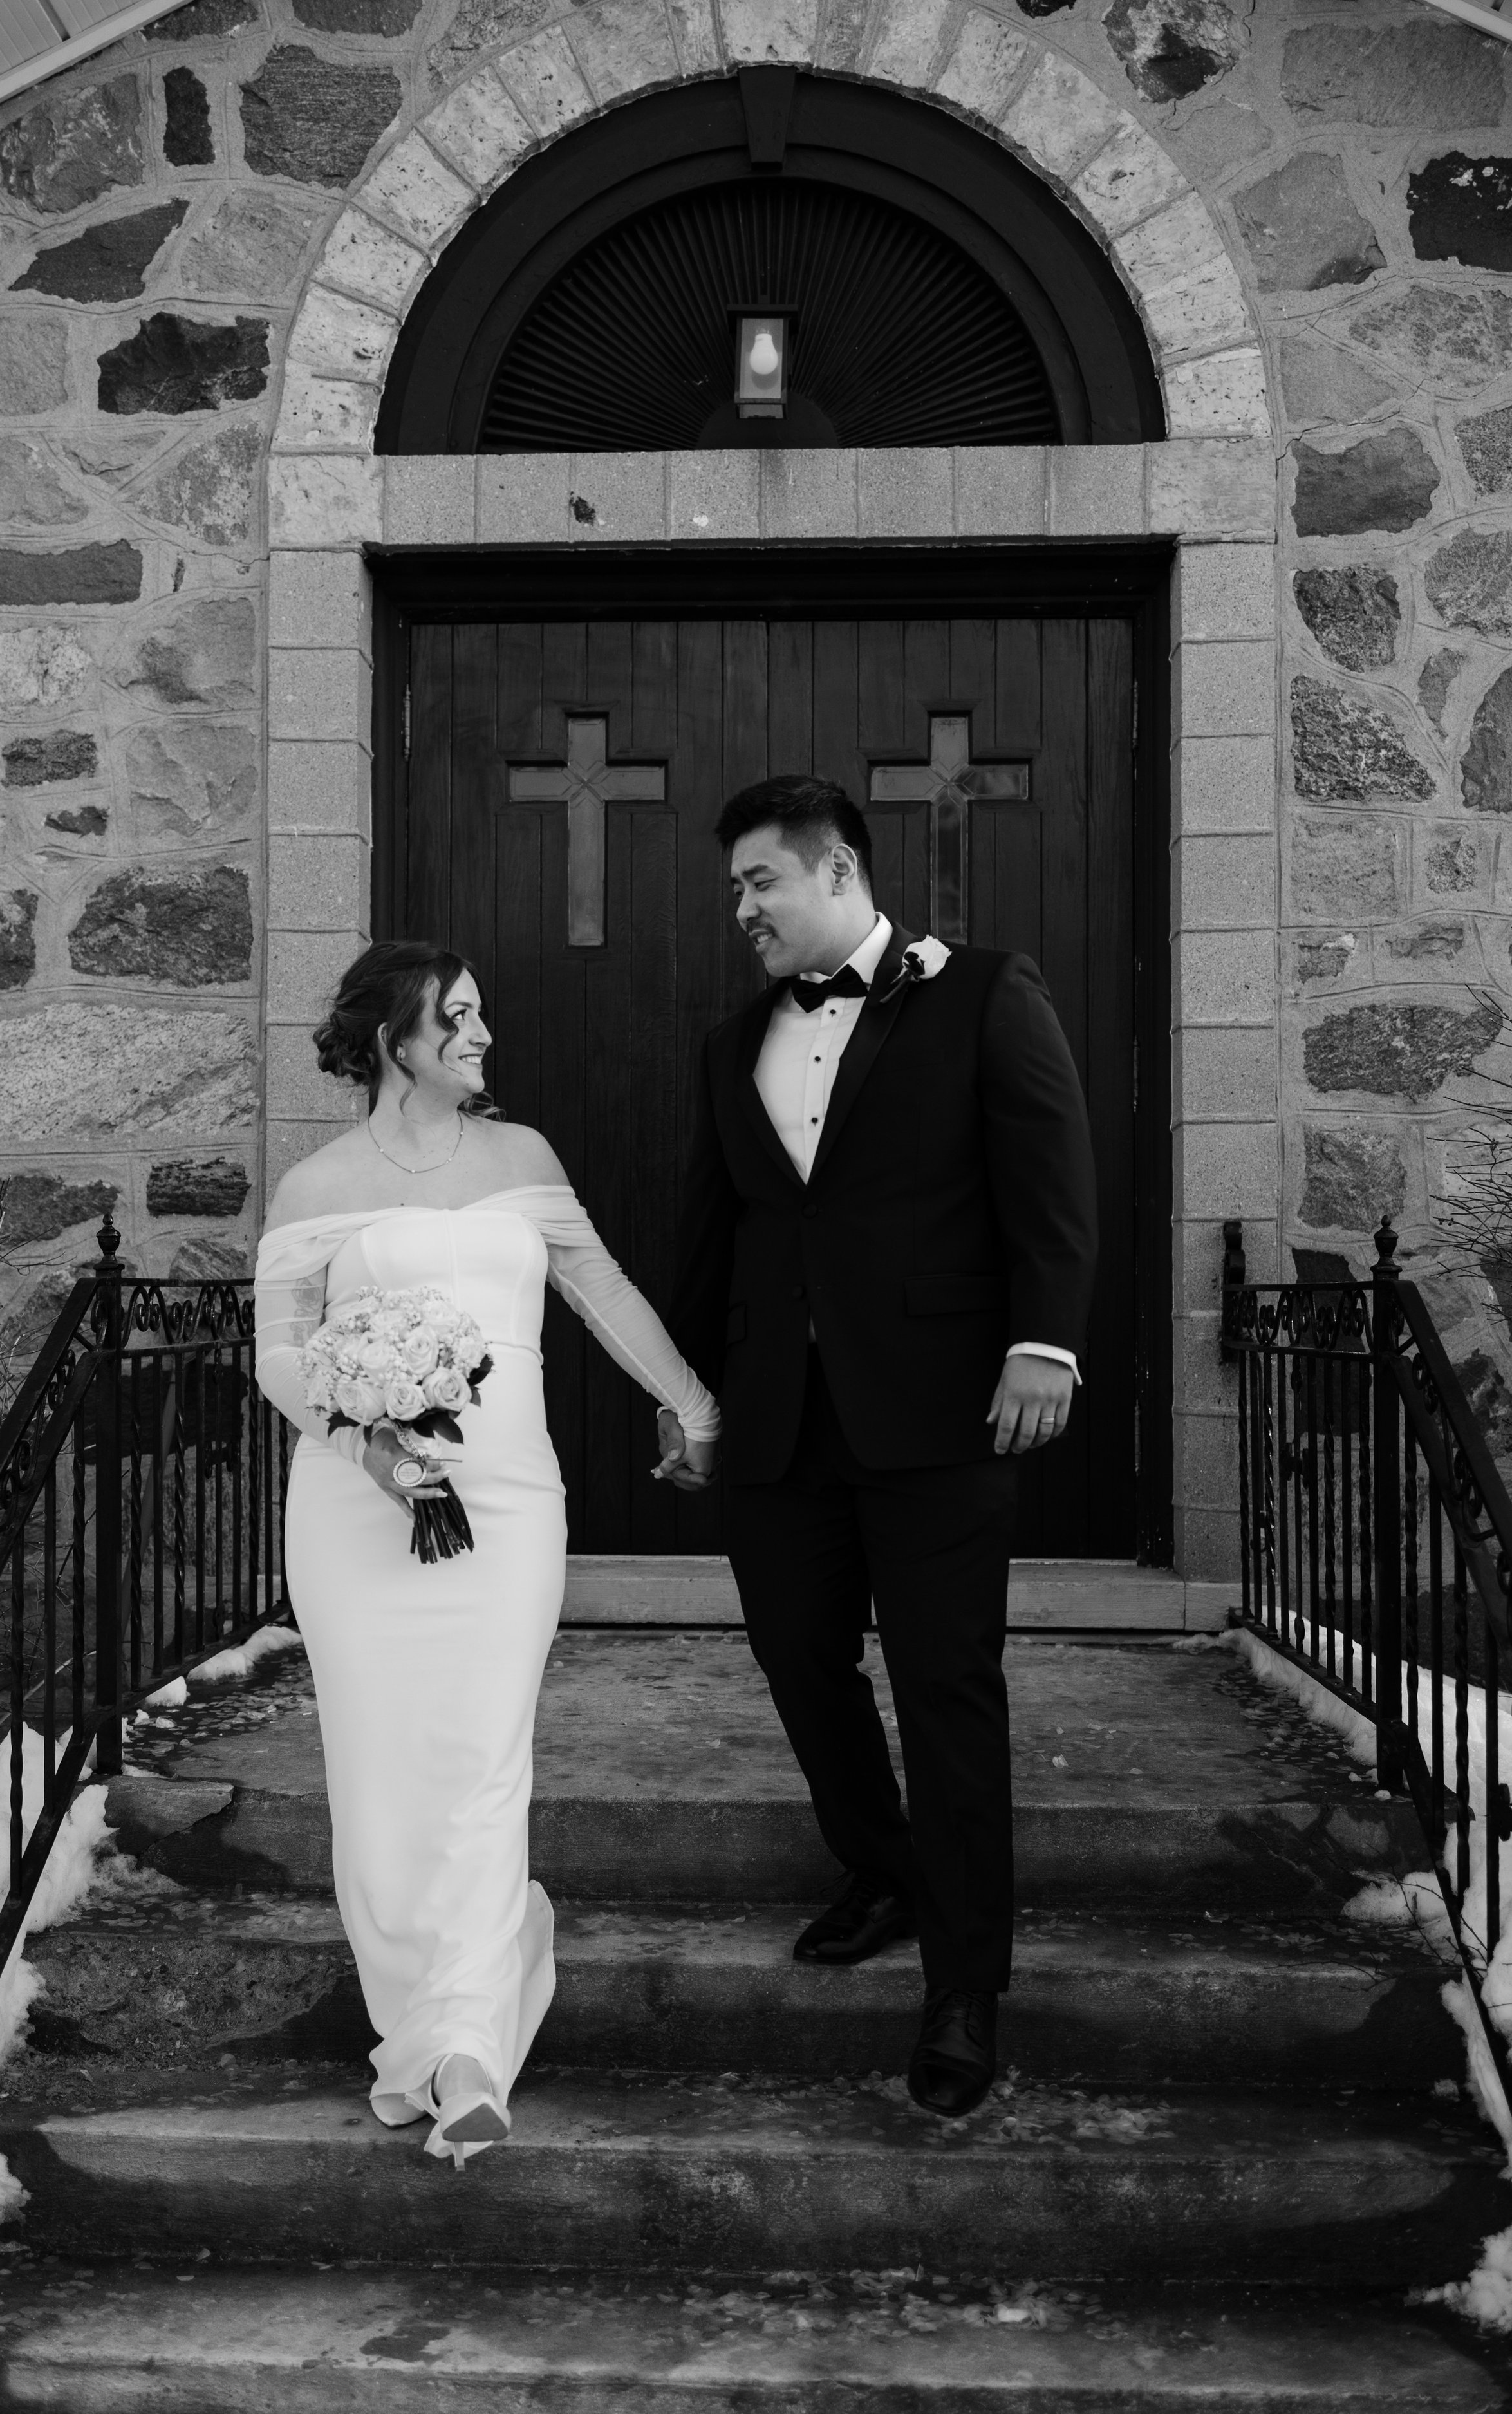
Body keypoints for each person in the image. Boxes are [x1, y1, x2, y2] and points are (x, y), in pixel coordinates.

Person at [664, 775, 1097, 2118]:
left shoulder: (983, 991)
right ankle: (887, 1867)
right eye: (735, 889)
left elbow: (1050, 1173)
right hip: (777, 1428)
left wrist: (1044, 1340)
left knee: (945, 1687)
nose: (739, 909)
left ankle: (962, 1986)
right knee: (798, 1662)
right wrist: (689, 1397)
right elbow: (711, 1234)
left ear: (835, 870)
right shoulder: (732, 1037)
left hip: (936, 1412)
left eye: (757, 884)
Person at [253, 941, 717, 2167]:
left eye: (480, 1016)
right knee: (379, 1772)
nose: (483, 1037)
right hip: (359, 1515)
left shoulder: (525, 1159)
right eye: (458, 1019)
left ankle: (464, 2042)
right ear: (397, 1038)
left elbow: (600, 1289)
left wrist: (694, 1401)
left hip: (507, 1506)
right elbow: (281, 1356)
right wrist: (369, 1447)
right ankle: (417, 2029)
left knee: (481, 1752)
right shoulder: (314, 1186)